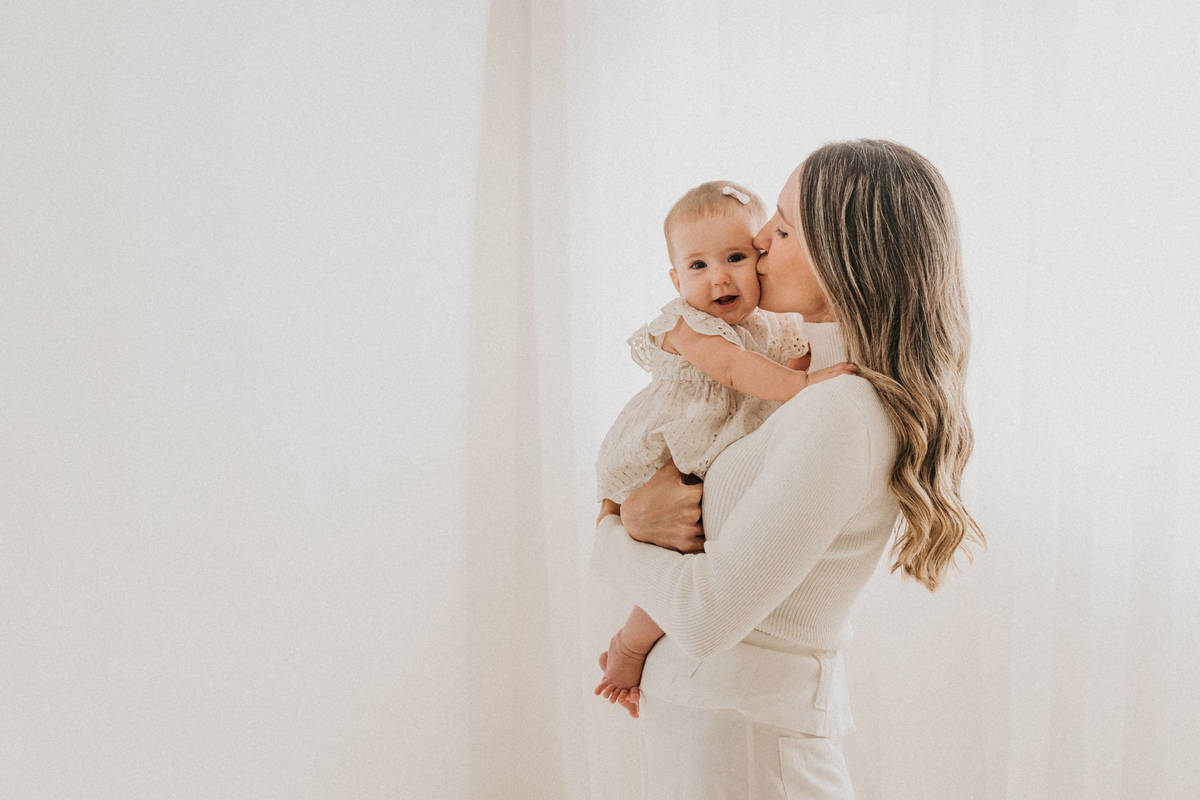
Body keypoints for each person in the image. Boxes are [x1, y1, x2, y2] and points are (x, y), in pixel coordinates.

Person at [591, 139, 984, 799]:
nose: (760, 244)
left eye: (780, 226)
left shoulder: (842, 409)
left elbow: (707, 615)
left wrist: (608, 531)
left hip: (748, 749)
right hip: (722, 738)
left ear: (842, 254)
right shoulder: (795, 390)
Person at [593, 180, 857, 717]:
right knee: (680, 546)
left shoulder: (779, 332)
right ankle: (630, 642)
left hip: (747, 689)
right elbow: (735, 369)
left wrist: (804, 376)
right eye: (697, 266)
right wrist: (804, 385)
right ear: (674, 278)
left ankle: (633, 640)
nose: (719, 277)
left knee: (692, 542)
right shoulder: (688, 324)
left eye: (738, 257)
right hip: (672, 437)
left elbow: (786, 371)